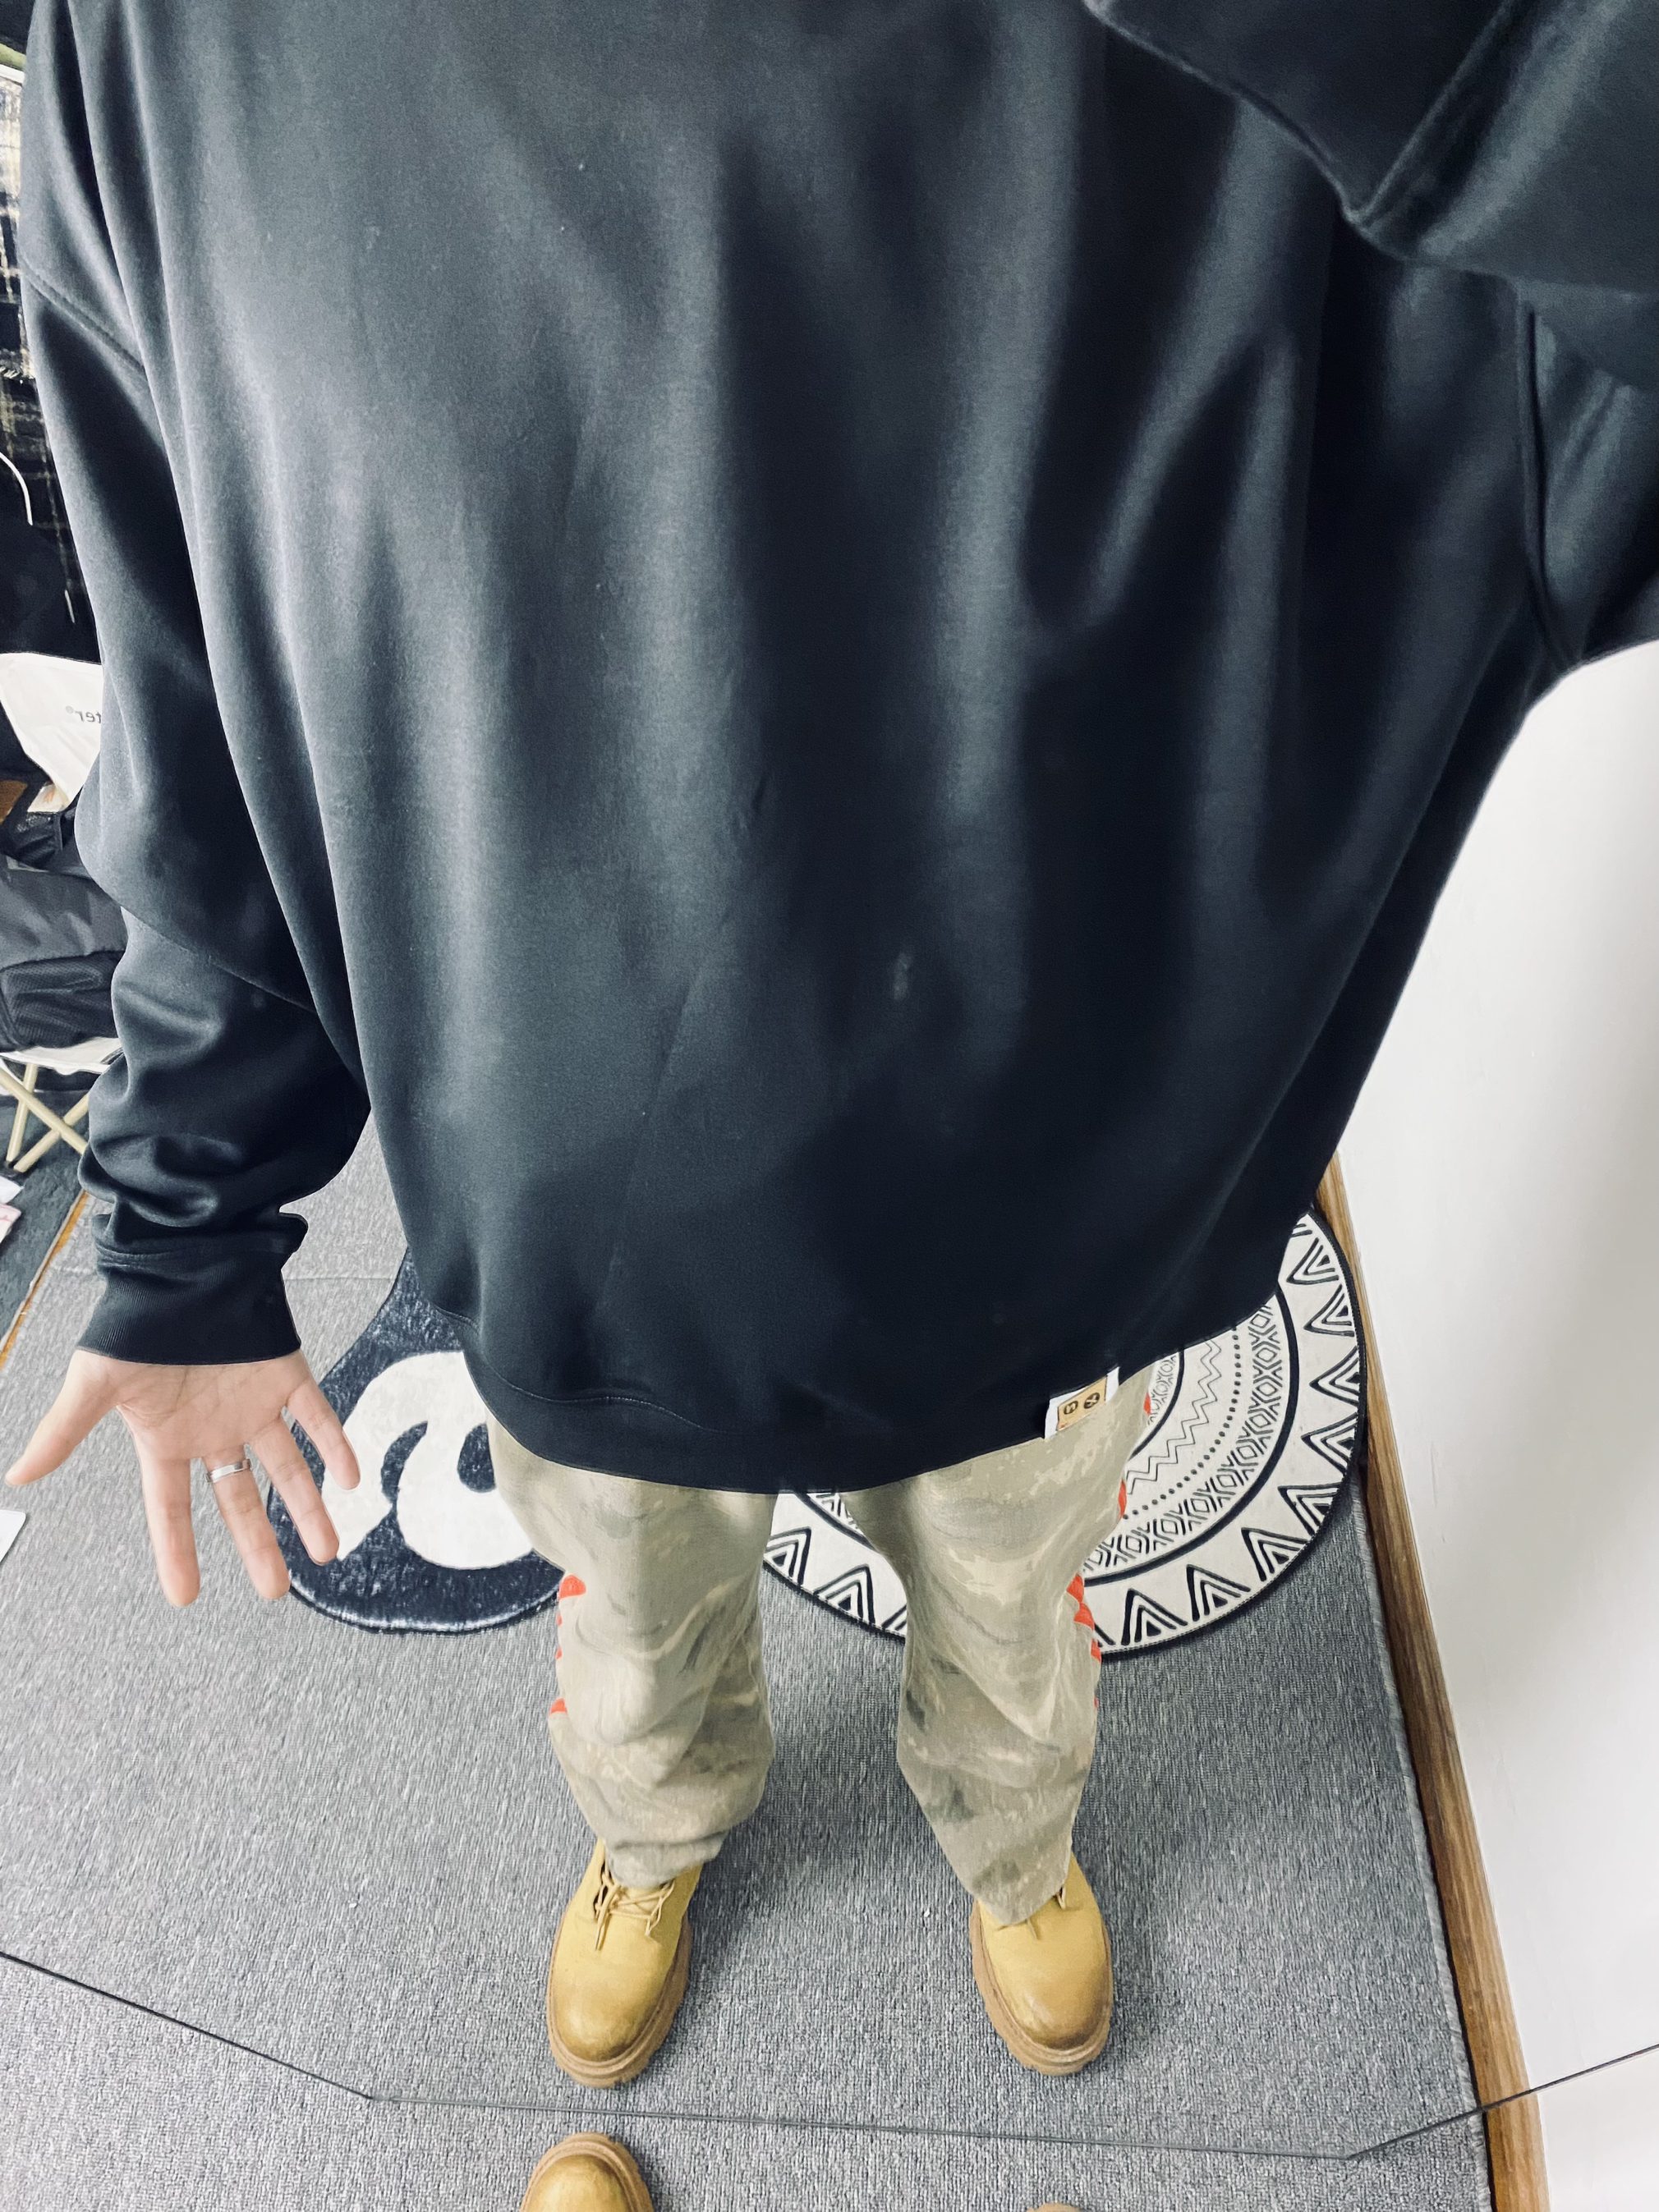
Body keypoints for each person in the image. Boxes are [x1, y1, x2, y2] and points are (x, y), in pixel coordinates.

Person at [6, 0, 1656, 2205]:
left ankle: (1011, 1845)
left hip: (1032, 1278)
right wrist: (189, 1225)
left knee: (1013, 1644)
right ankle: (654, 1837)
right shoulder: (169, 47)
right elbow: (208, 682)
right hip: (575, 1267)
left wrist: (1462, 73)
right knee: (634, 1657)